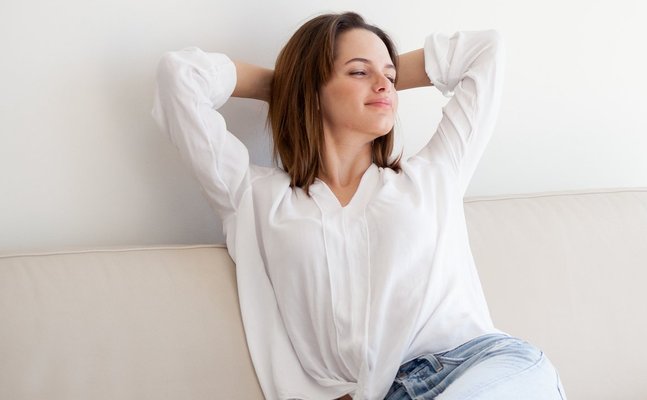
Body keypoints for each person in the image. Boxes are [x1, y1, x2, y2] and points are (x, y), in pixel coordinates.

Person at [151, 11, 566, 400]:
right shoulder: (253, 196)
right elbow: (180, 77)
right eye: (359, 72)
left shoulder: (435, 174)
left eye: (389, 74)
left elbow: (485, 51)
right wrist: (288, 85)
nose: (385, 85)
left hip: (478, 366)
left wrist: (370, 78)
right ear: (313, 89)